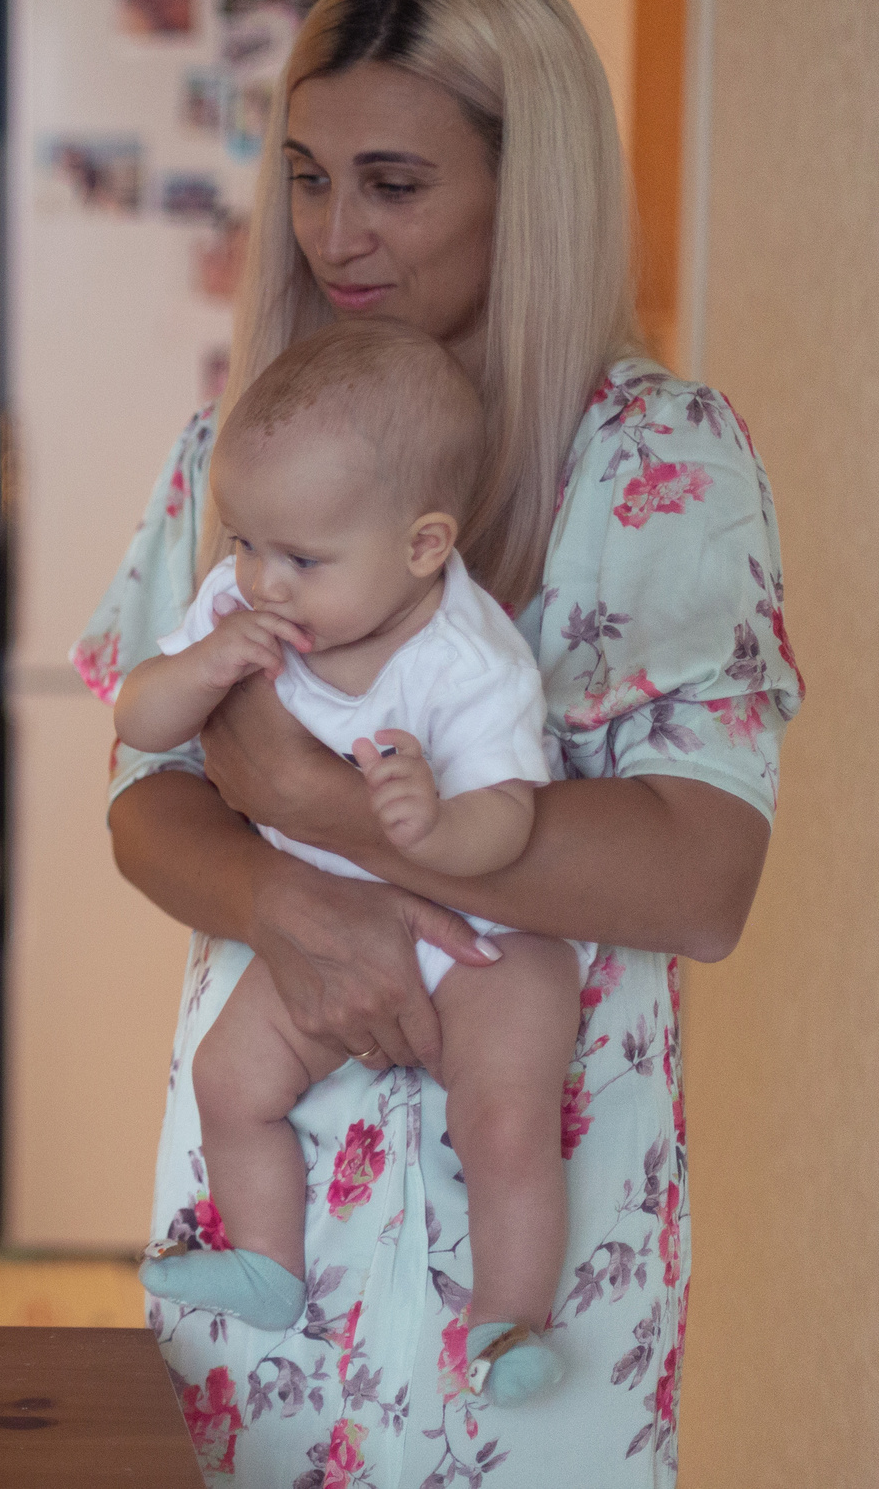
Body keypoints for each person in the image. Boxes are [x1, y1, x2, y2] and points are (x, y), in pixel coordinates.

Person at [74, 0, 798, 1485]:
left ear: (523, 183)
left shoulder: (657, 456)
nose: (339, 233)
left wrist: (313, 799)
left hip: (545, 1186)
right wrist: (286, 899)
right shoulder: (241, 445)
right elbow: (142, 793)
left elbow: (701, 875)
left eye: (395, 183)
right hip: (278, 1135)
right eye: (312, 177)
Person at [114, 319, 585, 1405]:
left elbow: (509, 823)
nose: (260, 582)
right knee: (227, 1082)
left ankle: (512, 1320)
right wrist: (197, 668)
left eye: (300, 560)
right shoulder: (243, 609)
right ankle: (270, 1266)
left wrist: (422, 825)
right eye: (243, 543)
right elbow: (142, 723)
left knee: (505, 1121)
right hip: (318, 920)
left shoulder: (466, 660)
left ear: (423, 547)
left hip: (485, 944)